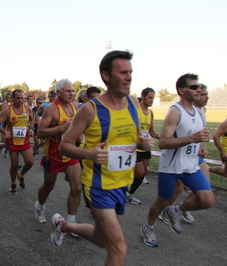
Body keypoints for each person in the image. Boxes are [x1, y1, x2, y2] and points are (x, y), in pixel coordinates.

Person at [51, 51, 154, 266]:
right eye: (123, 72)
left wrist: (141, 143)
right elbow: (65, 146)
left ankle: (65, 226)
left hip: (121, 185)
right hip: (99, 186)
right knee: (118, 247)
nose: (129, 77)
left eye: (130, 72)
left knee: (102, 239)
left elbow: (133, 138)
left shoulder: (133, 105)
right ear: (106, 76)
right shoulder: (90, 109)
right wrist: (89, 153)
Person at [141, 73, 215, 248]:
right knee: (162, 202)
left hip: (191, 165)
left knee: (207, 200)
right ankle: (148, 227)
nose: (198, 90)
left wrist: (200, 148)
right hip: (171, 167)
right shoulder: (175, 111)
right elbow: (164, 142)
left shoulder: (198, 111)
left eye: (199, 87)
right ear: (182, 90)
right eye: (194, 87)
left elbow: (194, 139)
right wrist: (192, 139)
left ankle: (176, 211)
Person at [35, 79, 82, 233]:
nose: (72, 93)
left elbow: (77, 128)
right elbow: (40, 132)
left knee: (76, 188)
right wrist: (62, 127)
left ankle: (70, 222)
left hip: (70, 154)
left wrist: (79, 134)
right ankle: (40, 206)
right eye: (68, 91)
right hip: (53, 154)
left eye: (73, 91)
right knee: (49, 186)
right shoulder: (51, 109)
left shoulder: (75, 107)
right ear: (59, 93)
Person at [0, 89, 34, 195]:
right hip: (13, 142)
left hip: (25, 141)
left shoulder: (27, 108)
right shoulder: (7, 110)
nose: (20, 101)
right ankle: (13, 183)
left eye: (22, 98)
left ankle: (21, 174)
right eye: (18, 98)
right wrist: (4, 132)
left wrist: (31, 128)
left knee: (30, 162)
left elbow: (32, 119)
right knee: (14, 164)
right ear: (12, 98)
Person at [126, 88, 160, 205]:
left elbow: (151, 131)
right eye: (150, 97)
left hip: (146, 147)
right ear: (143, 96)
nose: (152, 100)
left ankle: (129, 193)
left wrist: (159, 136)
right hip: (135, 146)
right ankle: (124, 191)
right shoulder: (136, 109)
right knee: (139, 172)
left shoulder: (150, 113)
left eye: (153, 98)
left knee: (143, 173)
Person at [0, 93, 12, 158]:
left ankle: (6, 153)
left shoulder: (17, 106)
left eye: (11, 98)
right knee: (7, 142)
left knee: (13, 143)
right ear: (6, 99)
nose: (10, 99)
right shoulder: (5, 106)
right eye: (8, 98)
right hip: (6, 124)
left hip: (14, 127)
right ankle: (1, 146)